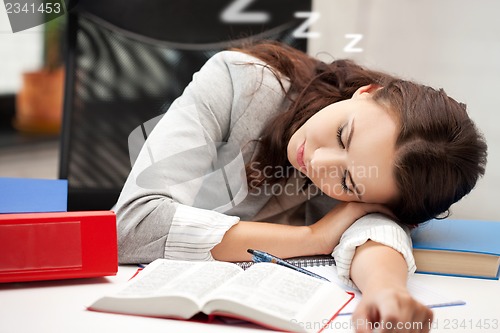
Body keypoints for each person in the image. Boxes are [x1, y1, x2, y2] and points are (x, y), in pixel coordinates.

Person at [115, 41, 487, 332]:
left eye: (347, 182)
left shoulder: (378, 185)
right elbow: (128, 226)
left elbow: (375, 231)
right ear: (367, 92)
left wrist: (385, 291)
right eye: (344, 135)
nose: (320, 163)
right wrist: (314, 237)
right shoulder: (238, 81)